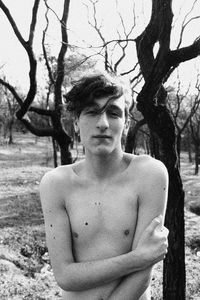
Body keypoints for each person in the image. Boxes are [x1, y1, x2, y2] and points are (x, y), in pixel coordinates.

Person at [39, 72, 169, 300]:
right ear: (76, 123)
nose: (102, 123)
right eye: (91, 112)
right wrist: (137, 258)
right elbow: (65, 275)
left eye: (114, 113)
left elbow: (142, 274)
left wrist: (143, 260)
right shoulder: (55, 184)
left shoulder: (150, 174)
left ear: (126, 124)